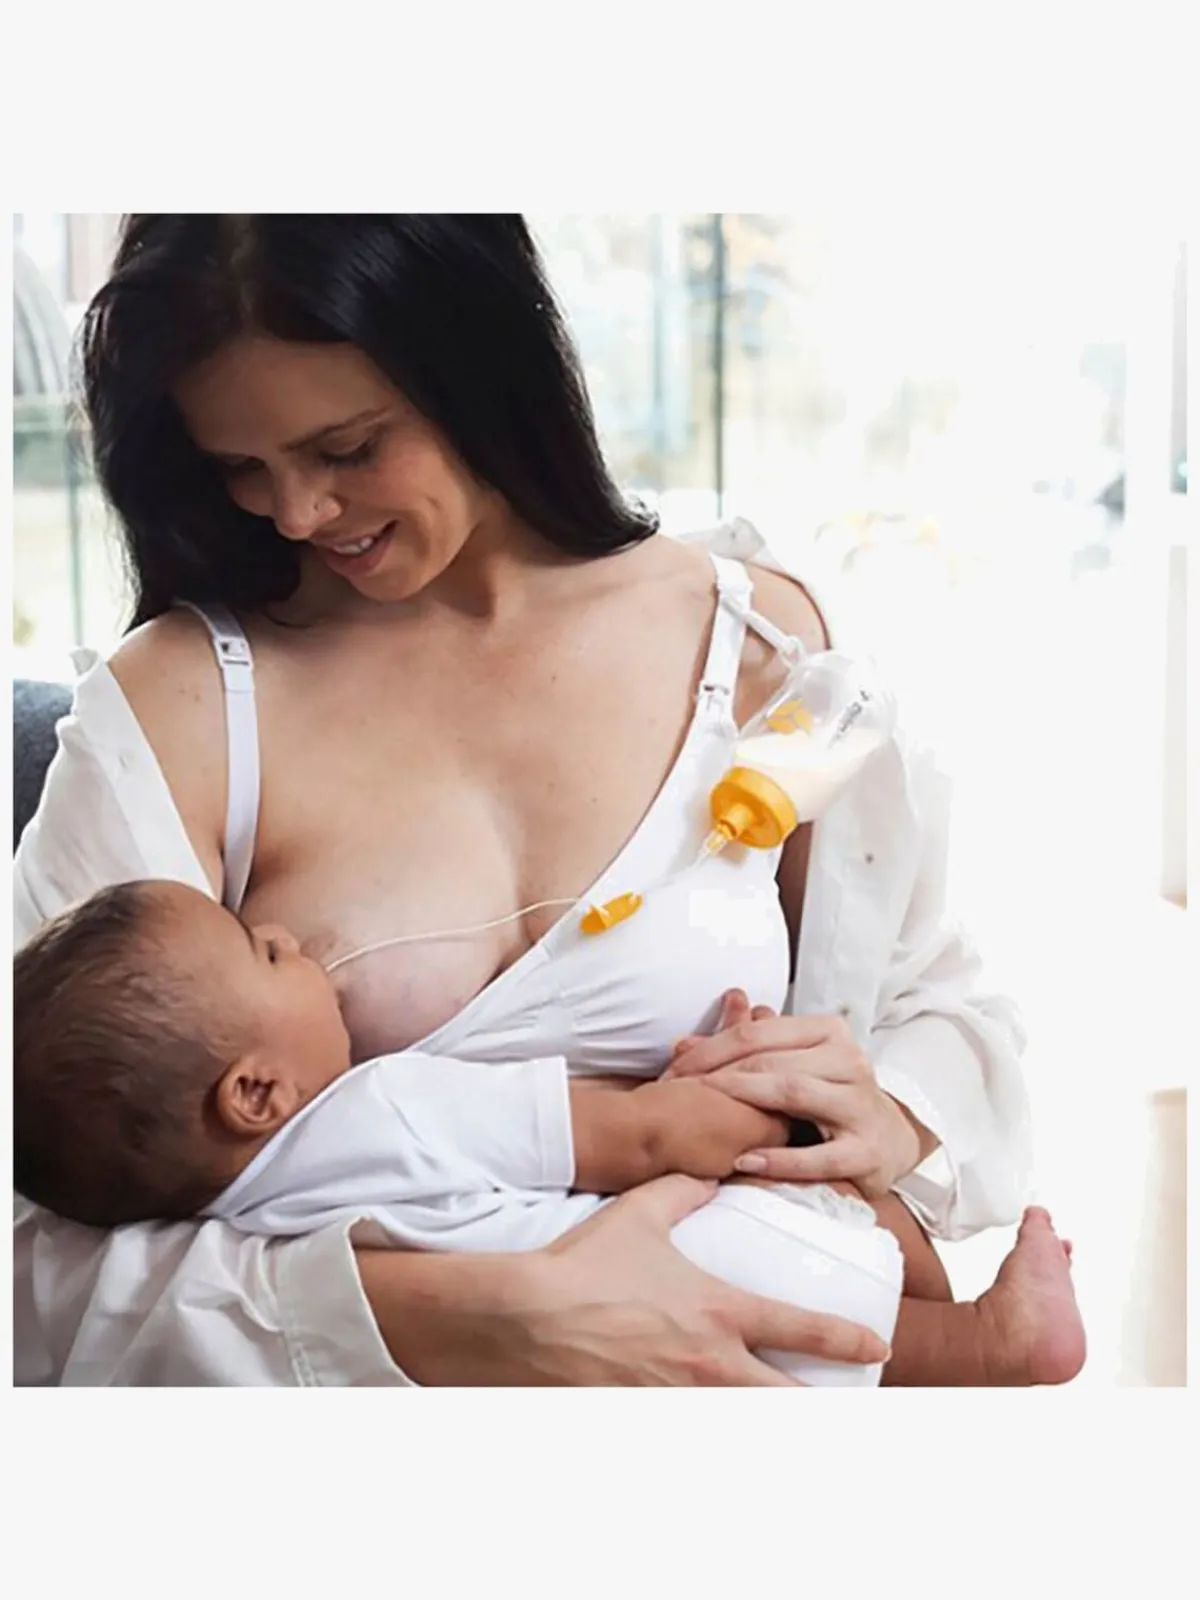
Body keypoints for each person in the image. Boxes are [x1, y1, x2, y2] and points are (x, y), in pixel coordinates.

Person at [13, 213, 1082, 1387]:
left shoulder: (759, 645)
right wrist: (468, 1315)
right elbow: (34, 1247)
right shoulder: (183, 710)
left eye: (348, 448)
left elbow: (941, 1001)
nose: (298, 513)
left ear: (477, 370)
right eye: (242, 469)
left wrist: (888, 1109)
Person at [14, 878, 1083, 1386]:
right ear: (254, 1092)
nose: (288, 933)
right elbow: (641, 1139)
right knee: (829, 1209)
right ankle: (989, 1344)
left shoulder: (233, 1211)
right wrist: (735, 1087)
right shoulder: (391, 1105)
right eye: (262, 952)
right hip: (722, 1297)